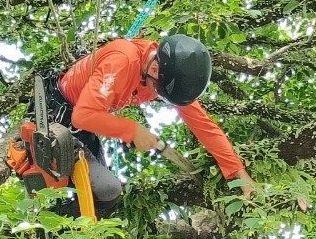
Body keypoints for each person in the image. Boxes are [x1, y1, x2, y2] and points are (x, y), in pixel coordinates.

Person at [37, 34, 255, 217]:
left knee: (103, 200)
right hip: (57, 114)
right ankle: (44, 224)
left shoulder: (170, 76)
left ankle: (57, 226)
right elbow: (82, 116)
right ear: (154, 68)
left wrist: (238, 172)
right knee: (107, 190)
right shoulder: (123, 61)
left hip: (82, 131)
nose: (155, 94)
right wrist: (132, 131)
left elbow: (204, 126)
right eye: (157, 88)